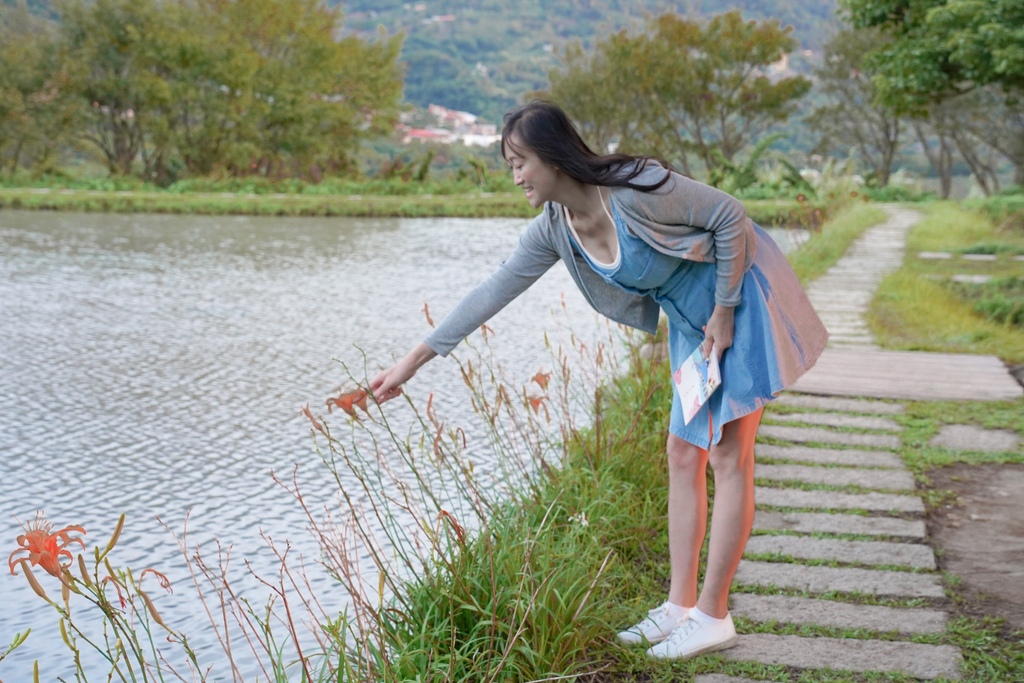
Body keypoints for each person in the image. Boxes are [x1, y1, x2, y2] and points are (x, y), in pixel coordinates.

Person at [370, 100, 828, 660]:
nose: (515, 176)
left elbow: (731, 216)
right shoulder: (554, 230)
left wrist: (727, 309)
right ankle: (678, 608)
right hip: (692, 327)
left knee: (729, 457)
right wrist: (410, 364)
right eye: (510, 164)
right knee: (682, 455)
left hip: (737, 303)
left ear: (555, 158)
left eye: (521, 162)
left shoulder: (636, 189)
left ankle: (714, 615)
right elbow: (491, 291)